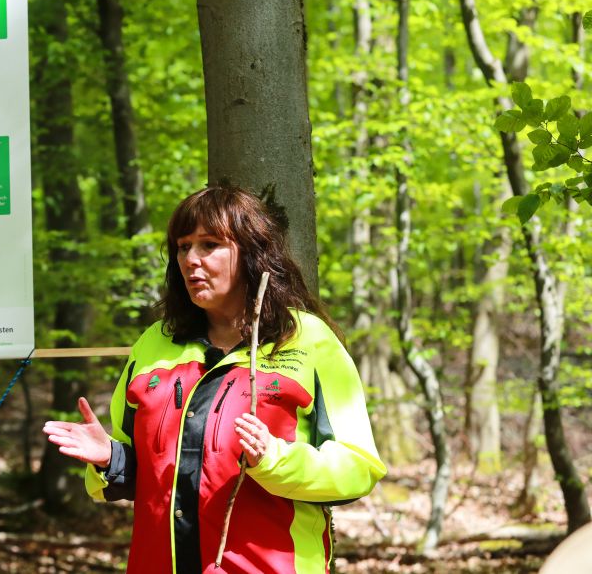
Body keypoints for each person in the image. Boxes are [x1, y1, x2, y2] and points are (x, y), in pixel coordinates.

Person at [43, 185, 386, 573]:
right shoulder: (154, 344)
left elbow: (357, 469)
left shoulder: (308, 341)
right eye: (183, 246)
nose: (191, 259)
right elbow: (149, 476)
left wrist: (274, 460)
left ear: (253, 253)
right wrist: (110, 458)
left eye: (209, 245)